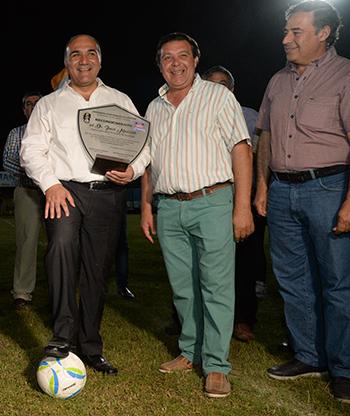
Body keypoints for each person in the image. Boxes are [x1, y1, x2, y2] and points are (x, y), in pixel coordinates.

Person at [133, 32, 253, 398]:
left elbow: (241, 150)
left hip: (213, 200)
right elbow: (149, 163)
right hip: (169, 206)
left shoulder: (218, 97)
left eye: (182, 55)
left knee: (216, 286)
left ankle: (216, 365)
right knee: (183, 288)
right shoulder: (154, 108)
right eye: (167, 58)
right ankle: (189, 351)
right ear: (160, 64)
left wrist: (242, 206)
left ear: (195, 59)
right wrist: (146, 207)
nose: (175, 64)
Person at [20, 34, 135, 375]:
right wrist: (50, 185)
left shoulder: (120, 100)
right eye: (75, 55)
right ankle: (62, 336)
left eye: (90, 54)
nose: (83, 60)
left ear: (100, 59)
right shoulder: (49, 105)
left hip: (107, 193)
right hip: (65, 190)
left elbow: (143, 145)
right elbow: (31, 150)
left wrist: (134, 169)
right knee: (61, 249)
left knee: (98, 270)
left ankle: (90, 345)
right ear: (66, 62)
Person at [253, 0, 350, 403]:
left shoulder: (345, 76)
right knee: (293, 281)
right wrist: (262, 186)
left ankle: (343, 366)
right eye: (285, 31)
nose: (286, 39)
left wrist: (349, 203)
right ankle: (308, 355)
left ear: (324, 33)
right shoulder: (277, 81)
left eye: (296, 32)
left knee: (338, 283)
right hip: (281, 190)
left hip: (329, 188)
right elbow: (266, 138)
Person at [202, 65, 266, 343]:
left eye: (224, 83)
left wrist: (252, 196)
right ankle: (188, 319)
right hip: (207, 197)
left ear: (232, 88)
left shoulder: (249, 116)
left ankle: (243, 320)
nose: (218, 88)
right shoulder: (195, 113)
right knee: (202, 261)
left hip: (243, 195)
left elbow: (256, 155)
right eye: (212, 83)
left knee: (245, 262)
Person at [2, 91, 43, 309]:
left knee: (63, 243)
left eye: (38, 103)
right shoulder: (17, 133)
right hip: (28, 191)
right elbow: (8, 161)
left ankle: (60, 288)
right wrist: (37, 172)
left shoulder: (54, 130)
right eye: (29, 104)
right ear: (24, 109)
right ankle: (22, 292)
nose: (34, 107)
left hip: (55, 192)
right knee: (26, 241)